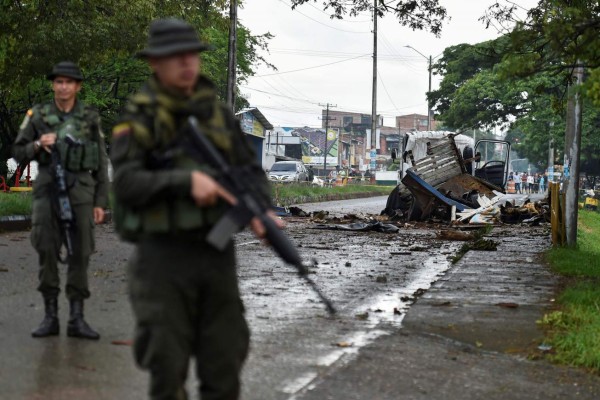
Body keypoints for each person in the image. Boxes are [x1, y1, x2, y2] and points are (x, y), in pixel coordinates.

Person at [110, 18, 280, 400]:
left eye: (192, 54)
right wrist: (186, 182)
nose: (187, 62)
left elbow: (251, 173)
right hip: (162, 259)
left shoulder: (219, 116)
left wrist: (261, 211)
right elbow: (125, 184)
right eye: (175, 56)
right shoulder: (139, 119)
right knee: (167, 371)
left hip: (217, 256)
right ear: (155, 62)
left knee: (225, 365)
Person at [12, 61, 109, 340]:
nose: (63, 86)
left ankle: (77, 317)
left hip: (80, 191)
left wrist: (100, 200)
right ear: (53, 84)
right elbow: (17, 151)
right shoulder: (37, 115)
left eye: (69, 82)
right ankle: (50, 316)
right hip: (46, 190)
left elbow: (101, 160)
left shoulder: (89, 117)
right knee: (46, 248)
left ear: (77, 86)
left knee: (81, 252)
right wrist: (37, 144)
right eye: (58, 82)